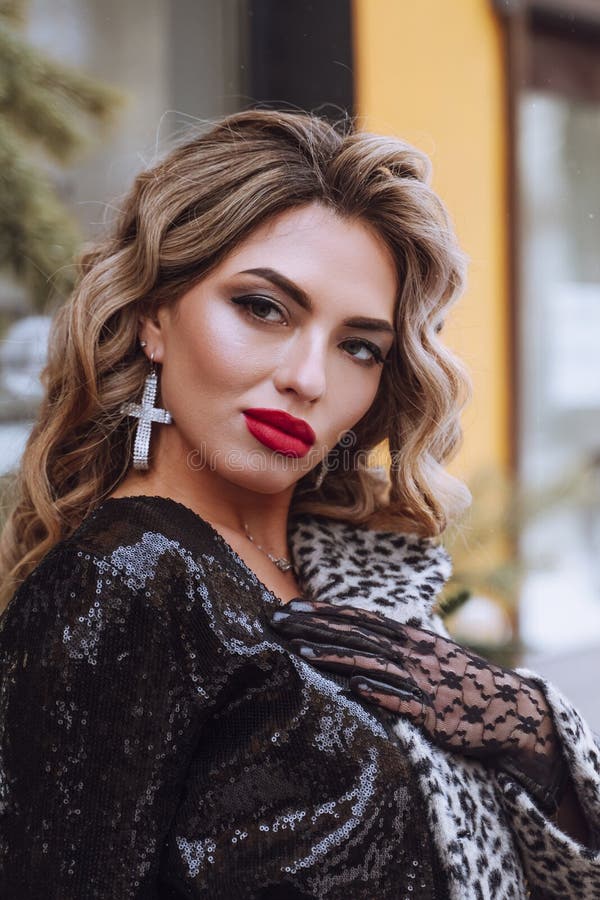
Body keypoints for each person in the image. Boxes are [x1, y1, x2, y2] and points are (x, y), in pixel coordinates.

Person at [0, 108, 598, 900]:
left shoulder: (356, 579)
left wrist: (536, 742)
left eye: (359, 346)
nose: (308, 377)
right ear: (154, 316)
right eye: (263, 307)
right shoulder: (128, 579)